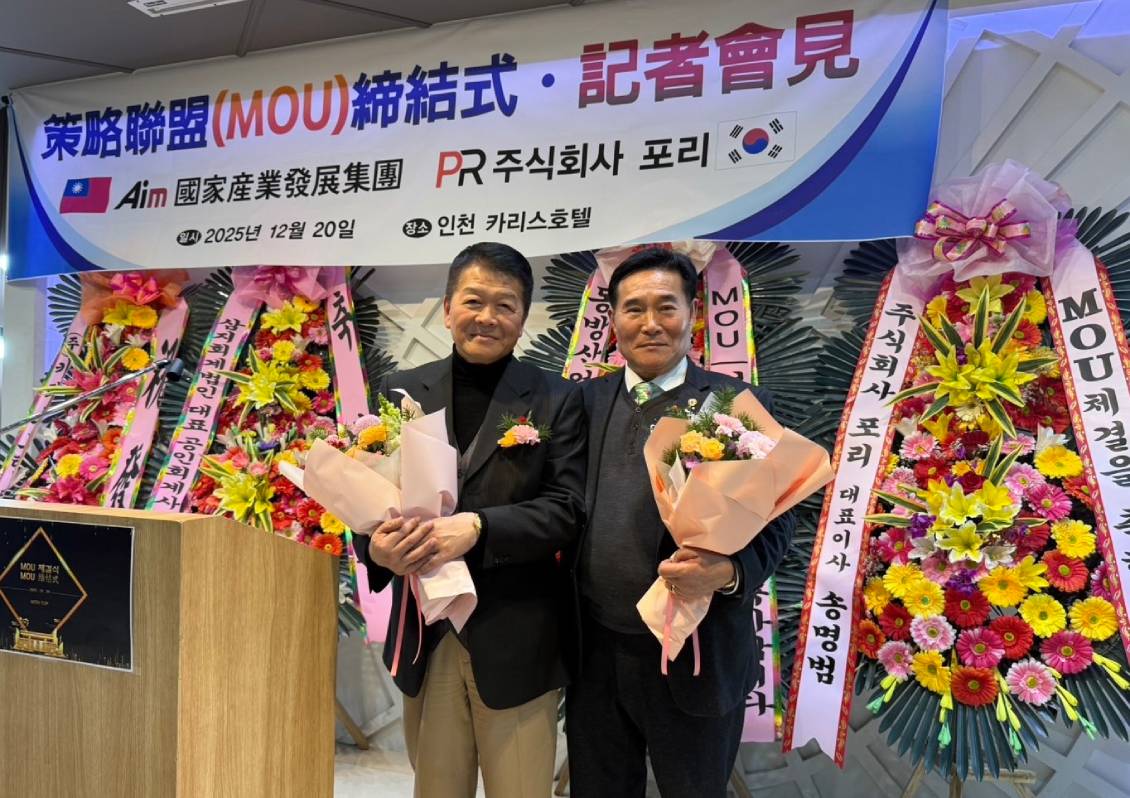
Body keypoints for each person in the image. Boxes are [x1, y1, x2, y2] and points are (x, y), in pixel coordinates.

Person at [358, 242, 586, 798]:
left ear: (523, 317)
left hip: (517, 636)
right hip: (428, 634)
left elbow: (567, 508)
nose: (487, 317)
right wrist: (376, 552)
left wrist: (480, 528)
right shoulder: (400, 389)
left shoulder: (558, 398)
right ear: (447, 308)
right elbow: (370, 498)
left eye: (505, 305)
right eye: (473, 300)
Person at [566, 247, 796, 798]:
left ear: (693, 314)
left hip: (697, 653)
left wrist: (728, 572)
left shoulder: (737, 407)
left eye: (666, 307)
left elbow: (779, 524)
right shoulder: (581, 402)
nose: (650, 323)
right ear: (613, 319)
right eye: (634, 308)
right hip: (595, 654)